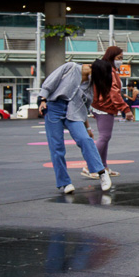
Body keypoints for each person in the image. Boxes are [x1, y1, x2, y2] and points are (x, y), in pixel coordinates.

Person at [38, 61, 114, 194]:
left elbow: (84, 108)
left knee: (85, 139)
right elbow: (49, 82)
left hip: (74, 113)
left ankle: (102, 173)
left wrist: (88, 129)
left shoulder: (90, 84)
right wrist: (42, 100)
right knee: (56, 147)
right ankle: (64, 183)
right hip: (54, 108)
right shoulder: (70, 68)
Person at [87, 46, 134, 179]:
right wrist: (126, 109)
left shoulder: (104, 69)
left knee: (105, 137)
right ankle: (90, 165)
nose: (121, 61)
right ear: (111, 57)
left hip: (99, 106)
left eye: (122, 58)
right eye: (119, 58)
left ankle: (103, 166)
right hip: (105, 107)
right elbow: (114, 93)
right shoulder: (110, 71)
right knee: (104, 137)